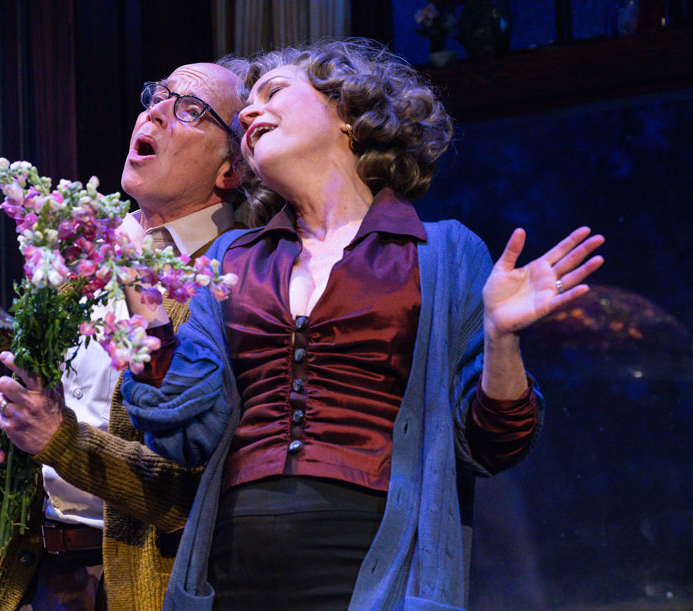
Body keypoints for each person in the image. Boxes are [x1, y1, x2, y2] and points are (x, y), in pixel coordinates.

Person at [119, 40, 605, 610]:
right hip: (235, 567)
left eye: (273, 92)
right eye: (246, 105)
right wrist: (143, 300)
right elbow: (187, 430)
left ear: (348, 113)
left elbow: (490, 443)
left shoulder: (441, 253)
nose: (248, 113)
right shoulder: (232, 258)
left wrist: (502, 340)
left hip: (379, 564)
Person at [0, 60, 248, 611]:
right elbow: (45, 405)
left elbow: (197, 491)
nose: (155, 112)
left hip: (139, 585)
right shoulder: (84, 255)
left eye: (190, 110)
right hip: (39, 575)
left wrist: (57, 439)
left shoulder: (236, 277)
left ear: (231, 170)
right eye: (156, 96)